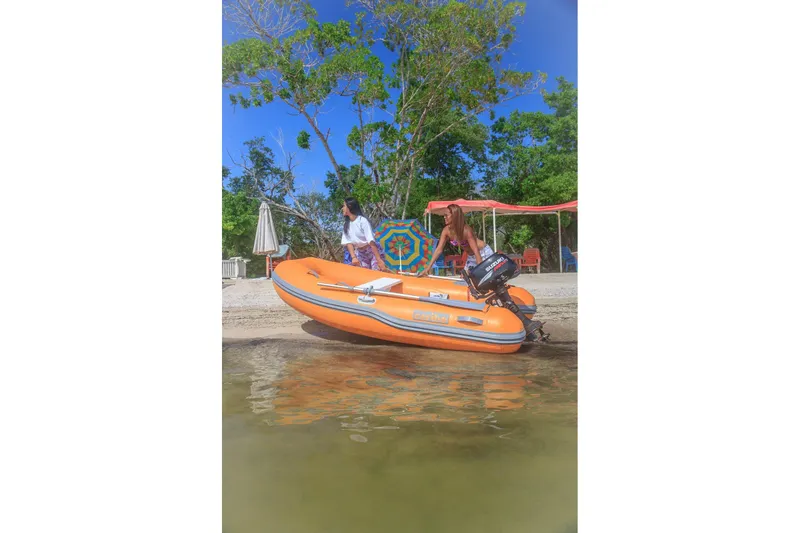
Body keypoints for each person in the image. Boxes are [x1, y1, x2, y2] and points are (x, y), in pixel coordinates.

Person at [419, 204, 494, 276]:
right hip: (471, 256)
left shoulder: (466, 230)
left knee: (482, 278)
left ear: (454, 216)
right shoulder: (446, 231)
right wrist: (428, 268)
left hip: (483, 253)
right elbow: (439, 249)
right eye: (444, 215)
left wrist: (480, 270)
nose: (444, 217)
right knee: (465, 278)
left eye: (446, 215)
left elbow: (476, 252)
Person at [341, 197, 389, 272]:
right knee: (364, 273)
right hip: (360, 253)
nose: (342, 208)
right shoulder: (346, 225)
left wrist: (379, 259)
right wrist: (354, 257)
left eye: (344, 206)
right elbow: (348, 242)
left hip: (372, 251)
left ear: (349, 207)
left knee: (376, 272)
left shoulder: (362, 221)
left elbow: (371, 241)